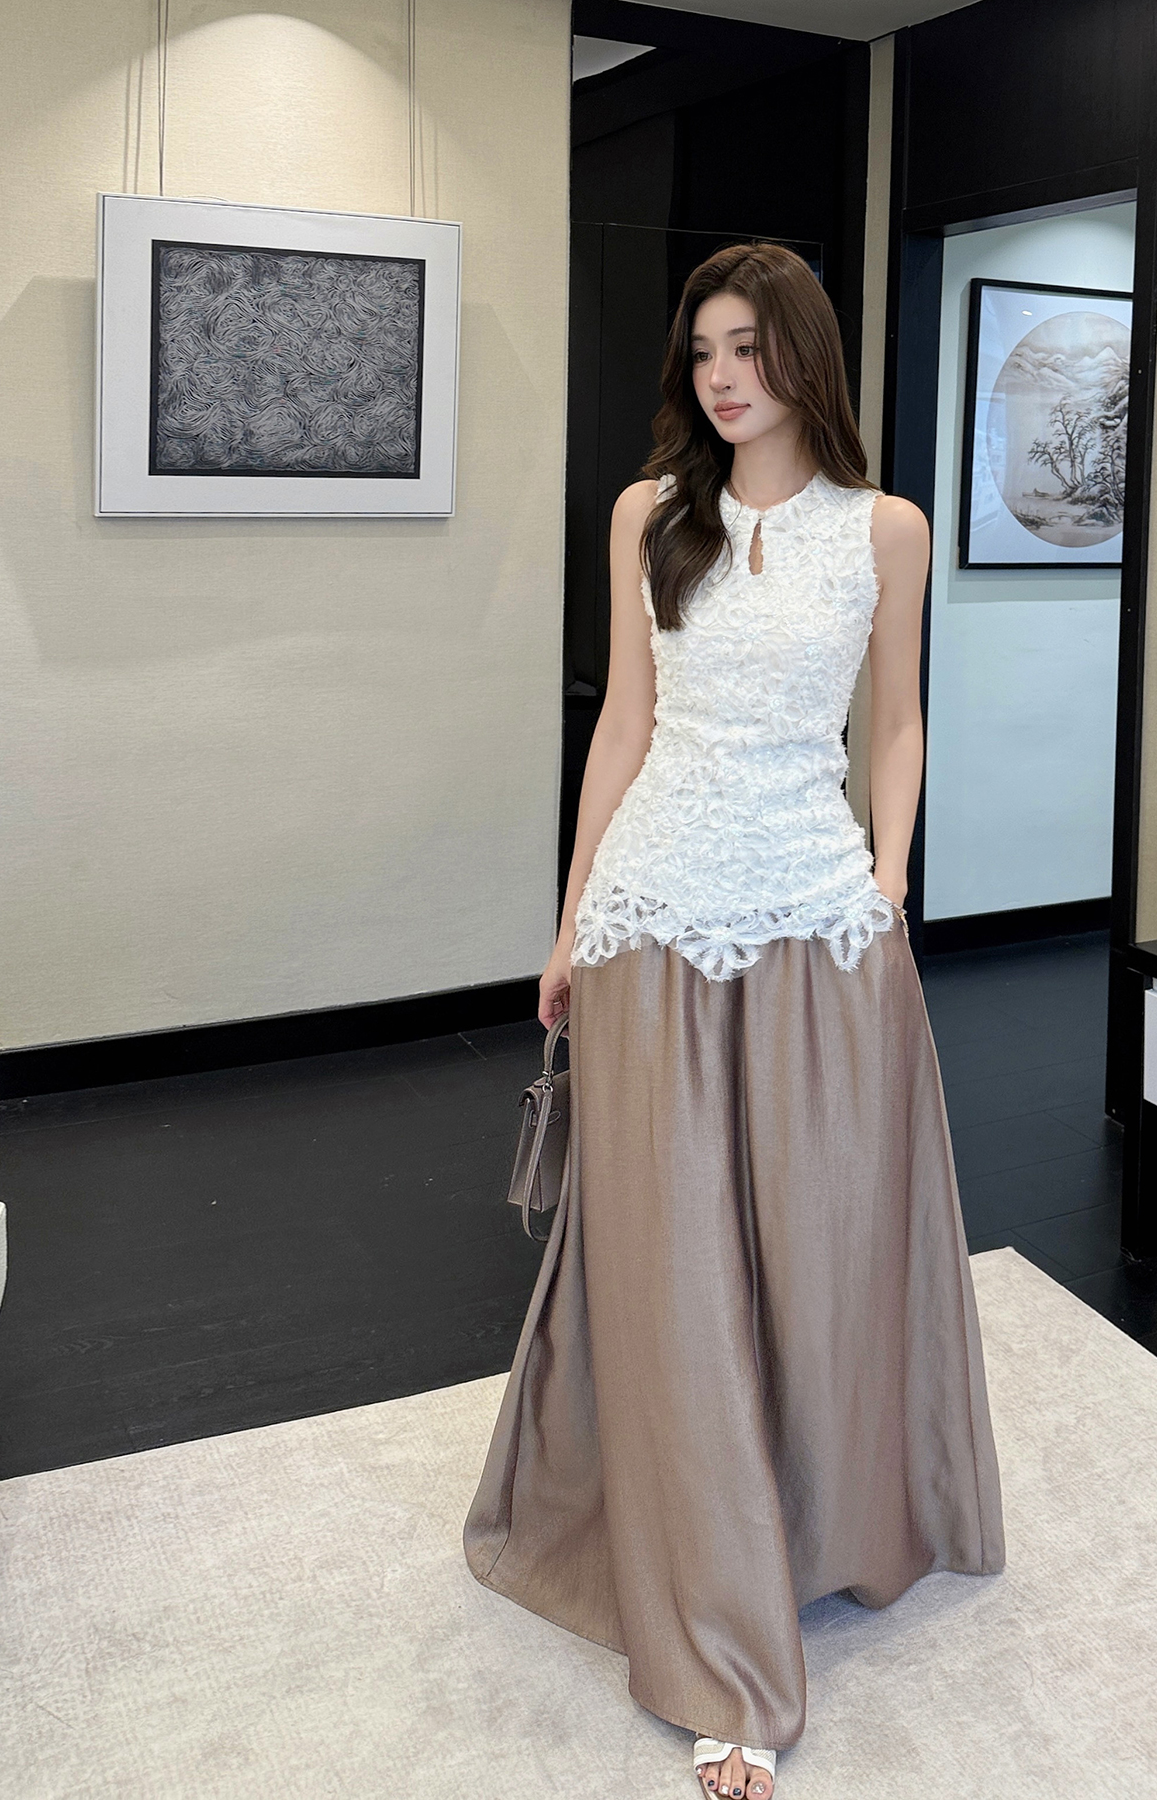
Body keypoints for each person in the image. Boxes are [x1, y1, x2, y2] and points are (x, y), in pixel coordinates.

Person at [464, 242, 1004, 1798]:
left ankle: (824, 1525)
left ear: (804, 358)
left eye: (750, 347)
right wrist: (572, 918)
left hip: (821, 916)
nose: (722, 376)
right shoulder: (648, 515)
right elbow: (623, 726)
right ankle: (722, 1643)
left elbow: (895, 718)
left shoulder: (884, 530)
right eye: (703, 349)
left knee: (825, 1238)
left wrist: (888, 880)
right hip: (654, 915)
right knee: (671, 1262)